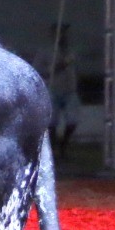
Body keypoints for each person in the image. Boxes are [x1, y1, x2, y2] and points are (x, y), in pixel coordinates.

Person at [36, 23, 80, 159]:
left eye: (65, 32)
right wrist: (60, 66)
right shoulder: (45, 50)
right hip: (52, 89)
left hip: (70, 90)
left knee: (73, 121)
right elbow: (38, 70)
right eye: (61, 32)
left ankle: (63, 146)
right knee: (52, 123)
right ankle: (54, 149)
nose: (63, 36)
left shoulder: (71, 50)